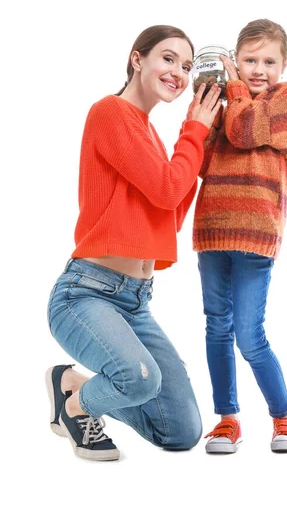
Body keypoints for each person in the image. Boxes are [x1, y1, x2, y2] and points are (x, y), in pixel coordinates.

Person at [46, 25, 222, 461]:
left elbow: (170, 213)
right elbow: (166, 190)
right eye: (168, 58)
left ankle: (77, 384)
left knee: (181, 431)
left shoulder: (151, 136)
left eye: (185, 65)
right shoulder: (109, 112)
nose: (178, 72)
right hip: (86, 294)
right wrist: (194, 132)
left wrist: (201, 150)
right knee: (140, 381)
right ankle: (75, 408)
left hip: (136, 302)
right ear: (137, 59)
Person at [193, 18, 287, 453]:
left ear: (284, 64)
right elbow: (200, 162)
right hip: (213, 232)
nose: (259, 69)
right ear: (235, 61)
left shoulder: (285, 98)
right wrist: (204, 107)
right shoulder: (229, 102)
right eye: (249, 60)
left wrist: (235, 91)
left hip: (256, 234)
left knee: (249, 334)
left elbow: (244, 130)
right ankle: (227, 419)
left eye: (268, 61)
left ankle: (283, 418)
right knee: (217, 329)